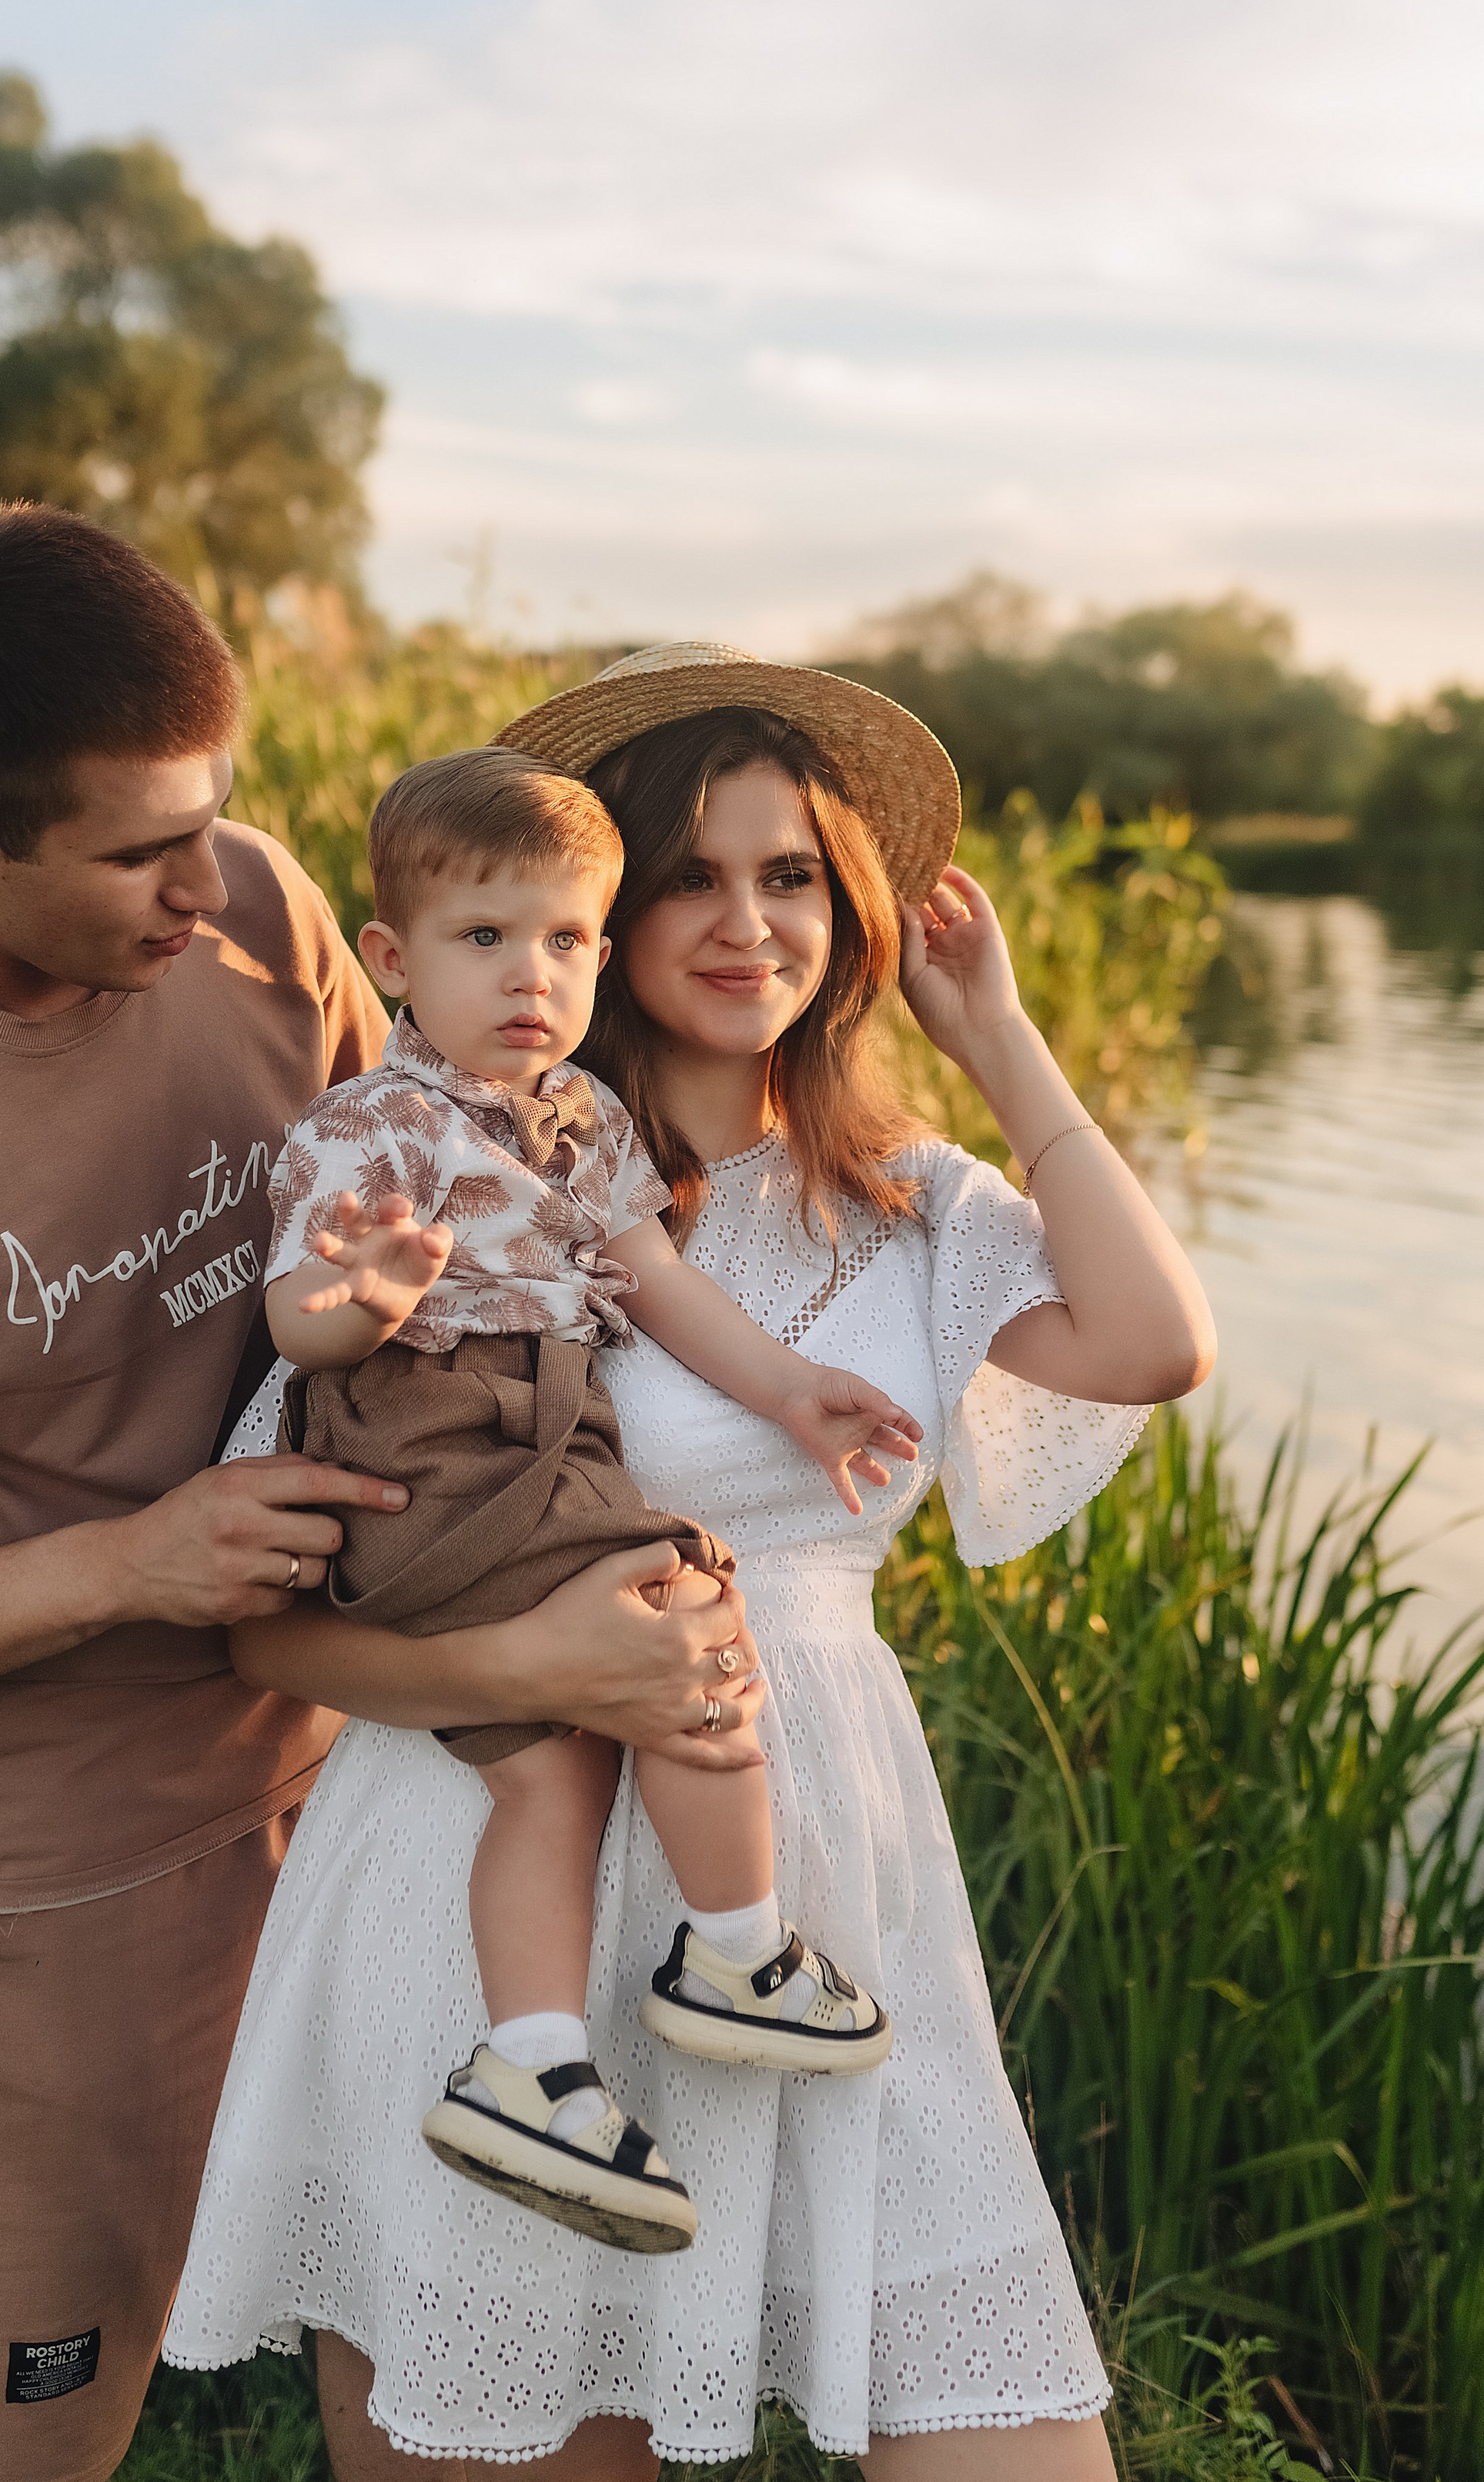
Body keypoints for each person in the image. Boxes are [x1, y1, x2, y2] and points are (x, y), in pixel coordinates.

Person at [0, 530, 767, 2482]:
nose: (213, 891)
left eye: (217, 819)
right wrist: (132, 1560)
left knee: (424, 2353)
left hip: (374, 1764)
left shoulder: (270, 907)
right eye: (136, 856)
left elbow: (483, 1233)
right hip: (54, 1877)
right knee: (40, 2411)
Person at [165, 641, 1217, 2482]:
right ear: (593, 907)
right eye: (692, 877)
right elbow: (267, 1631)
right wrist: (535, 1673)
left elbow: (1148, 1343)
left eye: (793, 874)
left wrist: (1000, 1043)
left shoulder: (914, 1207)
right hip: (496, 1893)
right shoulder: (475, 1184)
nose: (749, 924)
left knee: (1016, 2438)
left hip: (829, 1906)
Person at [266, 747, 908, 2251]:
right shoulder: (365, 1127)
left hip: (532, 1446)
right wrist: (357, 1298)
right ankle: (736, 1954)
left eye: (561, 940)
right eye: (483, 938)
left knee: (547, 1773)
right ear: (391, 959)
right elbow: (299, 1318)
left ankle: (532, 2063)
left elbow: (661, 1286)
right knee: (684, 1617)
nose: (527, 975)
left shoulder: (585, 1121)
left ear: (598, 956)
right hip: (437, 1442)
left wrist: (790, 1387)